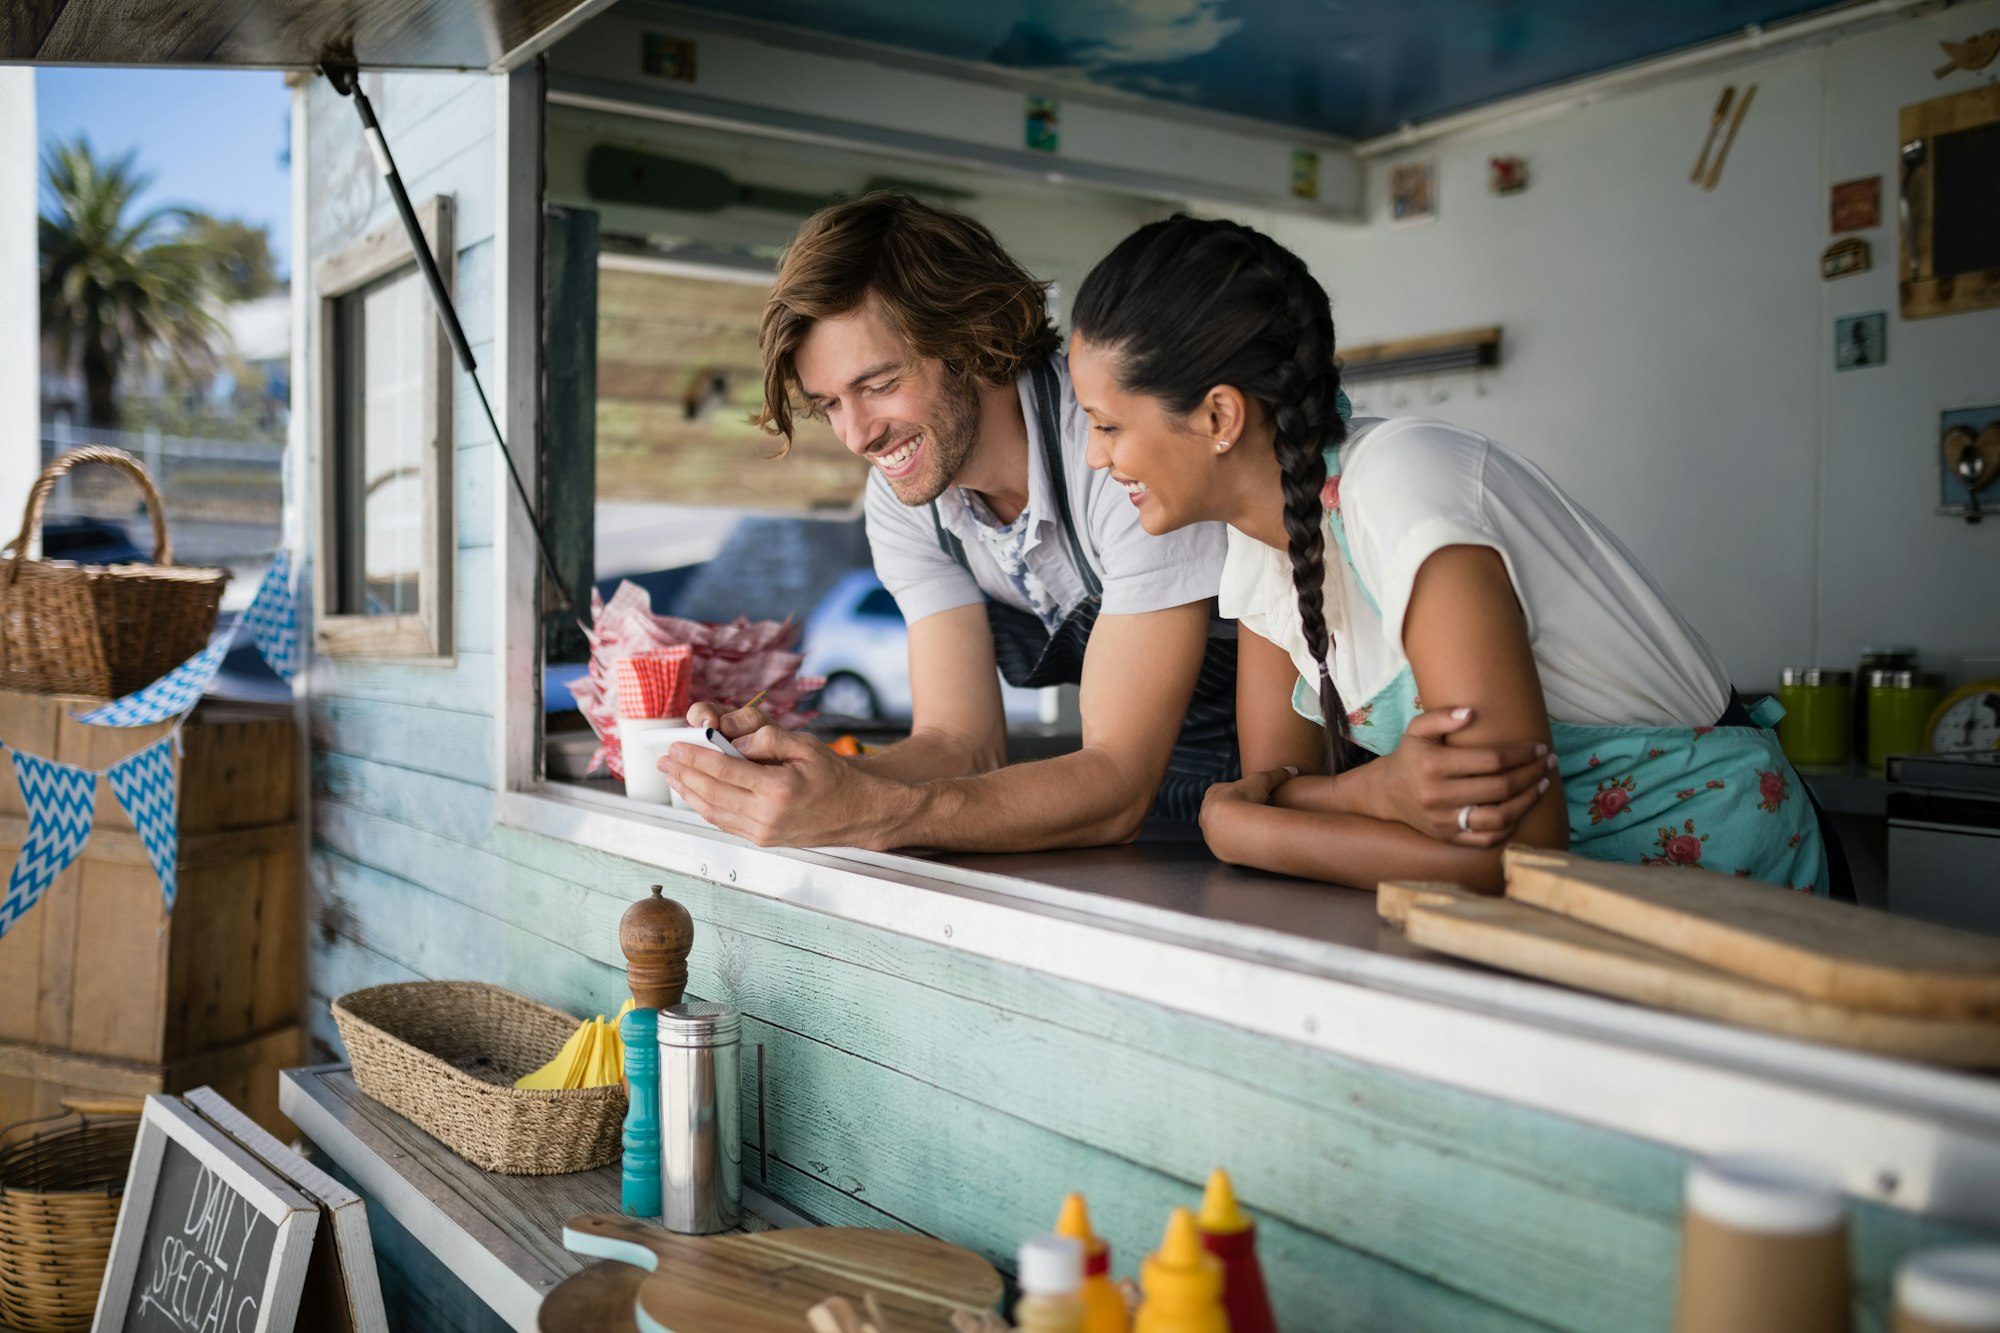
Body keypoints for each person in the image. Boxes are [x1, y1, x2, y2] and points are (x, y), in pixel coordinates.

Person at [1065, 214, 1836, 895]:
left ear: (1219, 414)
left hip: (1730, 890)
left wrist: (1235, 824)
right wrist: (1367, 796)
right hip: (1573, 916)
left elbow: (1516, 852)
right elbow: (1287, 784)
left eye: (1107, 425)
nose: (1098, 459)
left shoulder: (1403, 484)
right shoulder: (1262, 545)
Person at [662, 194, 1238, 851]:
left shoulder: (1117, 453)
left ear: (973, 335)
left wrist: (873, 812)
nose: (858, 436)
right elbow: (959, 743)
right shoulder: (909, 500)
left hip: (1270, 802)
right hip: (1142, 823)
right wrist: (805, 774)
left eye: (878, 385)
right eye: (829, 405)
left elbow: (1117, 782)